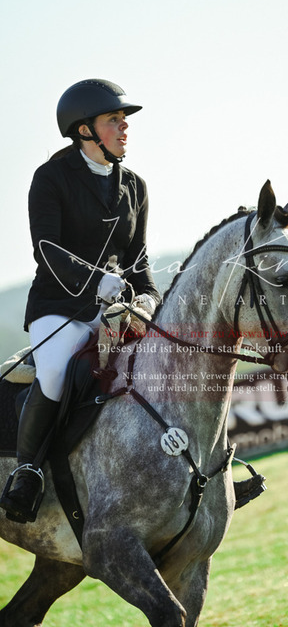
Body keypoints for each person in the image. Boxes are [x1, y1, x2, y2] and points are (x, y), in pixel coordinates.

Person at [0, 79, 161, 523]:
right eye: (114, 119)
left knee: (168, 363)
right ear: (85, 130)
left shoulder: (135, 186)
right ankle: (27, 472)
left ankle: (197, 468)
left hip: (116, 313)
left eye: (124, 120)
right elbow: (47, 249)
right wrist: (95, 283)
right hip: (60, 307)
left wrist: (150, 301)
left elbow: (139, 260)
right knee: (55, 370)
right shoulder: (50, 178)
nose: (124, 127)